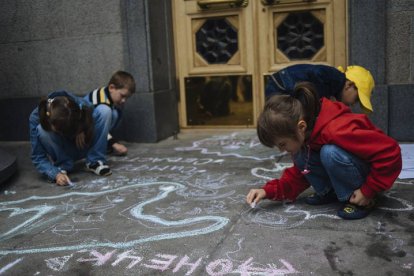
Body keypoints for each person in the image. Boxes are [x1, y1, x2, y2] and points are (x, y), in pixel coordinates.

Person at [247, 82, 402, 220]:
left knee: (330, 153)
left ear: (301, 127)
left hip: (366, 183)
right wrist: (266, 191)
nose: (282, 150)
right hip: (354, 172)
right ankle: (329, 192)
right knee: (302, 155)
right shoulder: (308, 131)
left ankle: (358, 200)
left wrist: (368, 190)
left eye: (282, 144)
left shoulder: (337, 130)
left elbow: (390, 152)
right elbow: (300, 174)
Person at [29, 91, 112, 186]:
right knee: (41, 130)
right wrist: (55, 174)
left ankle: (95, 160)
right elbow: (38, 157)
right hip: (63, 151)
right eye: (60, 131)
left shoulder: (74, 104)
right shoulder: (35, 118)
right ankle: (63, 166)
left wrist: (82, 128)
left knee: (104, 110)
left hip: (82, 144)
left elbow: (91, 112)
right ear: (50, 120)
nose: (65, 133)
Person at [265, 64, 375, 113]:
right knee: (283, 119)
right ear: (349, 85)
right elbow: (317, 73)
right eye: (356, 99)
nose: (353, 104)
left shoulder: (335, 85)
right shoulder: (333, 77)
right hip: (281, 87)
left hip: (282, 86)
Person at [84, 71, 136, 156]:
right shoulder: (101, 101)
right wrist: (114, 144)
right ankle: (95, 152)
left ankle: (103, 143)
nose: (124, 101)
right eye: (122, 96)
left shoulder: (108, 95)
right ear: (112, 88)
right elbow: (93, 125)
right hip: (82, 132)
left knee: (114, 113)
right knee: (106, 111)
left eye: (127, 98)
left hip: (90, 130)